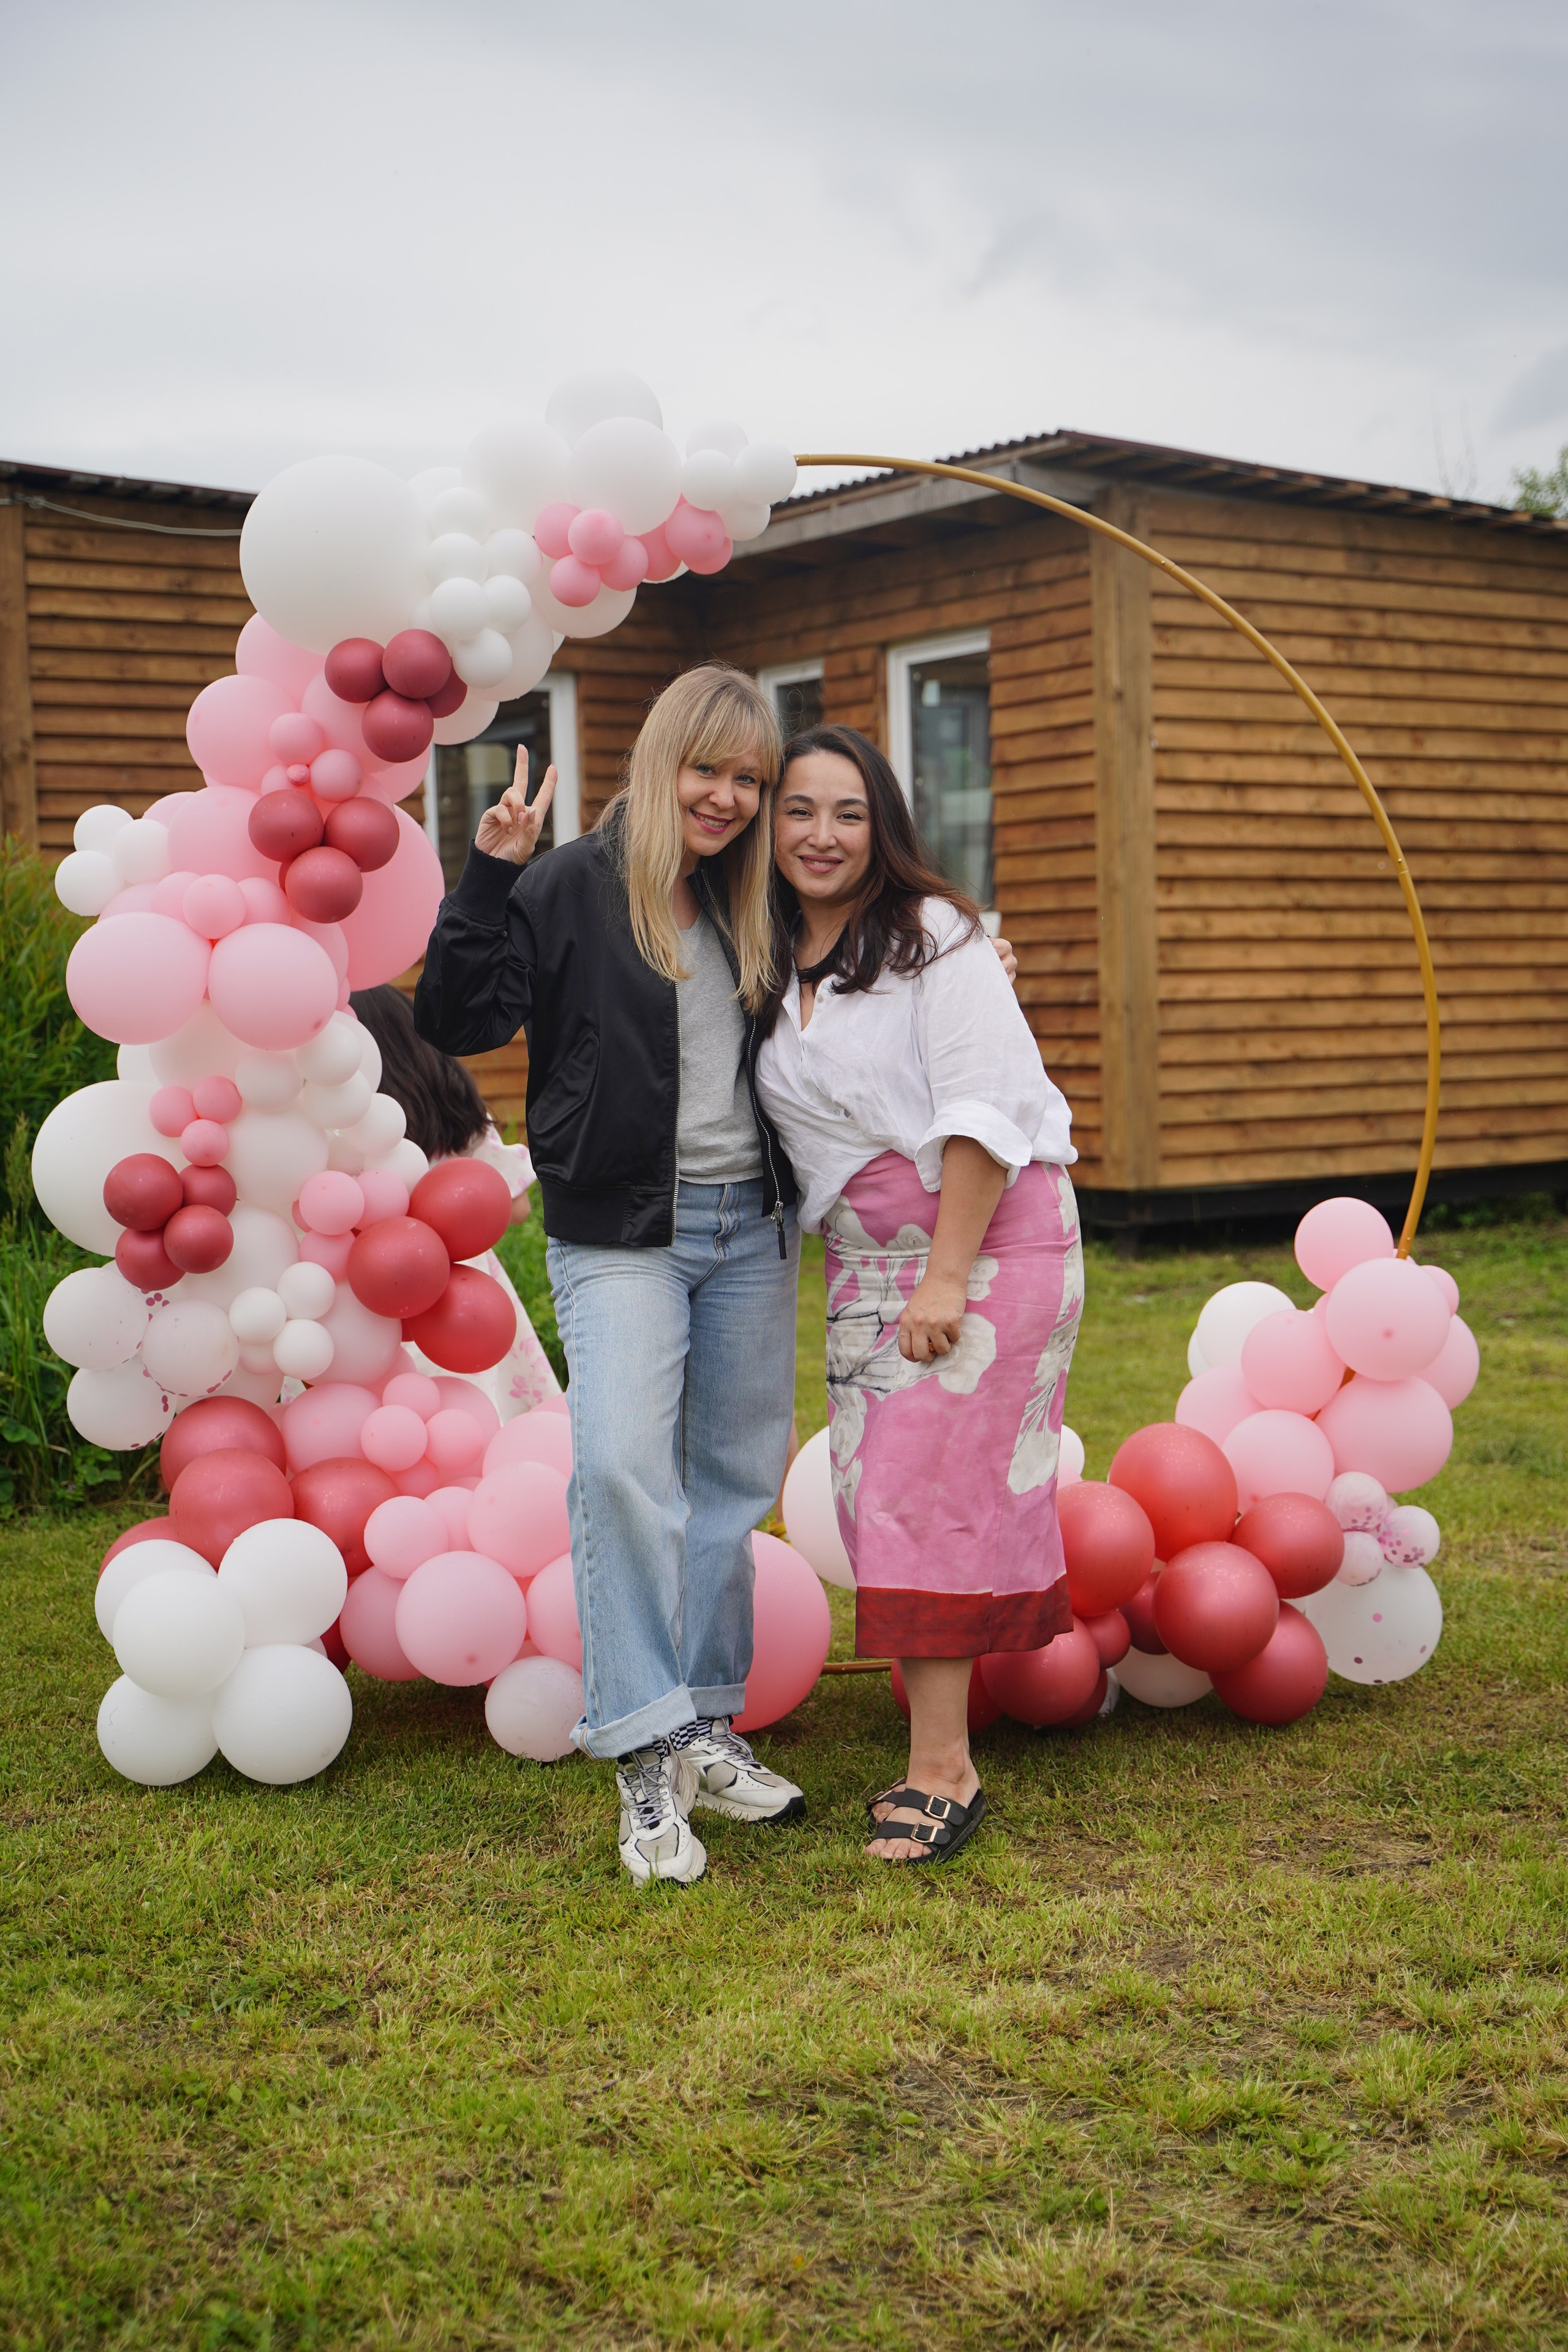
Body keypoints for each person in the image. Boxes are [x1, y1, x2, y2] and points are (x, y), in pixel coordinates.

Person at [412, 665, 805, 1886]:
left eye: (750, 779)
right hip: (624, 1229)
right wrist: (489, 871)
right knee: (626, 1469)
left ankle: (701, 1720)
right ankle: (642, 1747)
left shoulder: (761, 897)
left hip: (752, 1226)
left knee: (731, 1486)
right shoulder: (574, 883)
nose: (729, 799)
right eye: (710, 770)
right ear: (660, 759)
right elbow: (455, 1017)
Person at [755, 724, 1082, 1866]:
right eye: (798, 810)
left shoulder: (932, 938)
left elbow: (988, 1106)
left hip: (982, 1241)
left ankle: (943, 1767)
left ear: (881, 824)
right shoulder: (761, 951)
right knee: (867, 1493)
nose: (822, 834)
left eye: (847, 812)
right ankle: (960, 1721)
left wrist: (948, 1274)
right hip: (863, 1256)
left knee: (921, 1489)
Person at [347, 984, 561, 1418]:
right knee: (477, 1414)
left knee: (384, 1423)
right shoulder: (452, 1111)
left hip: (365, 1299)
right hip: (464, 1300)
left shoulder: (343, 1131)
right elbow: (517, 1209)